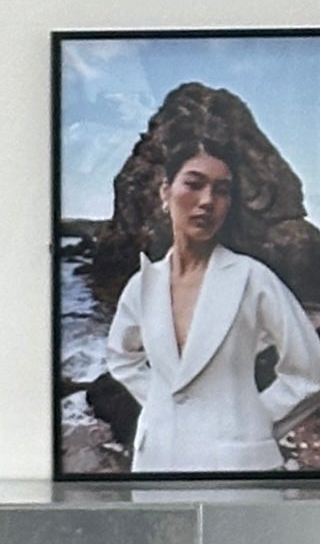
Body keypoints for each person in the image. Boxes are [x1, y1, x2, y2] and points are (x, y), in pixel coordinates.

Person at [102, 144, 320, 472]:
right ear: (165, 192)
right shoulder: (143, 284)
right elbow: (122, 356)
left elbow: (309, 370)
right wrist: (161, 403)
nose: (207, 201)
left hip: (238, 465)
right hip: (158, 459)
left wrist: (256, 418)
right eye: (193, 184)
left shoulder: (253, 278)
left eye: (221, 190)